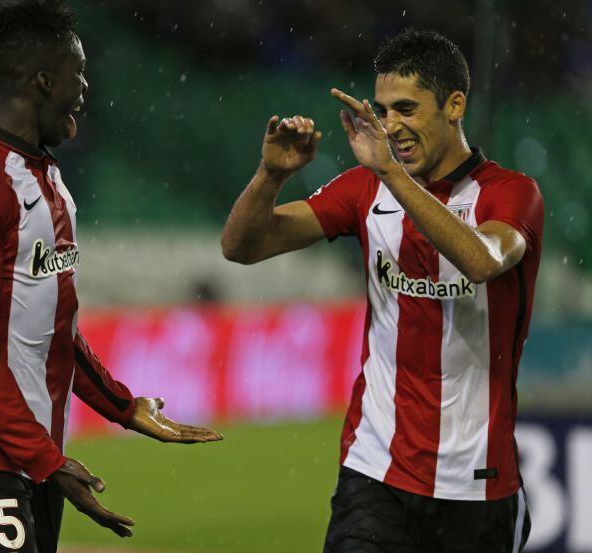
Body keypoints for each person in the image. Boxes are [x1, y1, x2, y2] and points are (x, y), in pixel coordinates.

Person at [0, 1, 222, 552]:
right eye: (79, 72)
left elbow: (53, 325)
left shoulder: (47, 179)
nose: (86, 88)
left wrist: (121, 406)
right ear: (44, 81)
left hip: (29, 453)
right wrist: (47, 460)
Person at [222, 28, 542, 553]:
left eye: (407, 109)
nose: (391, 126)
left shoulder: (511, 193)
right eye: (383, 110)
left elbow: (482, 260)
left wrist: (393, 174)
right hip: (375, 475)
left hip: (478, 487)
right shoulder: (367, 188)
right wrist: (269, 176)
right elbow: (243, 246)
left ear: (455, 104)